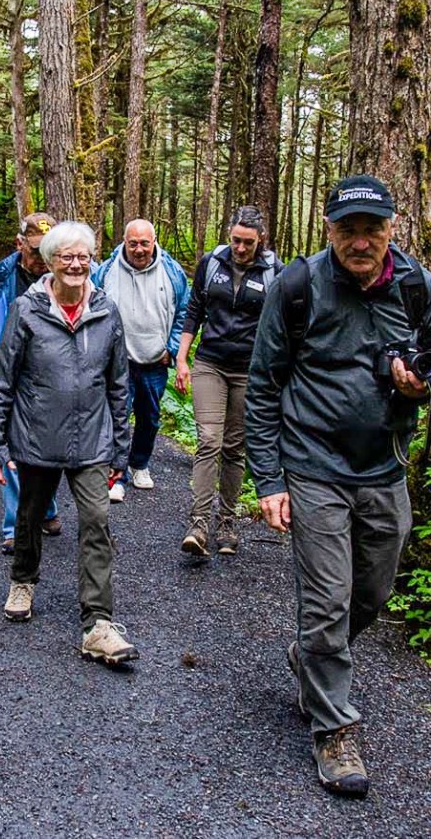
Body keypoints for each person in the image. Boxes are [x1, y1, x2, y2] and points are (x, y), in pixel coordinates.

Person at [246, 175, 431, 798]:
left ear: (391, 228)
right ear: (328, 231)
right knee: (325, 601)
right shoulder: (297, 287)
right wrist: (269, 479)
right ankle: (333, 728)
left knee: (373, 593)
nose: (360, 241)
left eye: (371, 229)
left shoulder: (415, 286)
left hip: (383, 466)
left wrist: (417, 386)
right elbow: (265, 382)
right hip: (313, 466)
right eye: (347, 229)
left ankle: (314, 656)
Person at [0, 221, 139, 664]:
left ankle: (98, 622)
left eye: (83, 256)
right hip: (36, 438)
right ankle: (23, 579)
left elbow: (118, 385)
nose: (76, 264)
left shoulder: (107, 311)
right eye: (66, 256)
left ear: (92, 259)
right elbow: (2, 381)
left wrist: (120, 451)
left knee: (96, 521)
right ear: (50, 261)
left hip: (92, 439)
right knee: (30, 517)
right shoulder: (26, 309)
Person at [174, 206, 282, 557]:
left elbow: (280, 325)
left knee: (235, 448)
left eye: (247, 242)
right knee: (209, 440)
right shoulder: (211, 263)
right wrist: (181, 358)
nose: (240, 248)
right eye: (236, 240)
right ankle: (199, 523)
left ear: (260, 240)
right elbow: (195, 311)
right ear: (229, 235)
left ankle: (227, 523)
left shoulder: (274, 272)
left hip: (250, 370)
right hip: (210, 362)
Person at [0, 212, 65, 553]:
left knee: (49, 446)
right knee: (11, 450)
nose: (43, 260)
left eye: (50, 251)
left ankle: (47, 508)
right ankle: (15, 526)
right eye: (37, 251)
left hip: (50, 378)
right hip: (9, 378)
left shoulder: (64, 276)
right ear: (19, 243)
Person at [92, 219, 189, 500]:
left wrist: (171, 349)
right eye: (132, 243)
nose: (138, 249)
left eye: (144, 243)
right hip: (117, 362)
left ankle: (140, 464)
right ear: (124, 241)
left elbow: (185, 311)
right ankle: (116, 474)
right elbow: (93, 305)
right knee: (115, 417)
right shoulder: (107, 271)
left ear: (154, 241)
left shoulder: (172, 272)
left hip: (154, 361)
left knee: (149, 418)